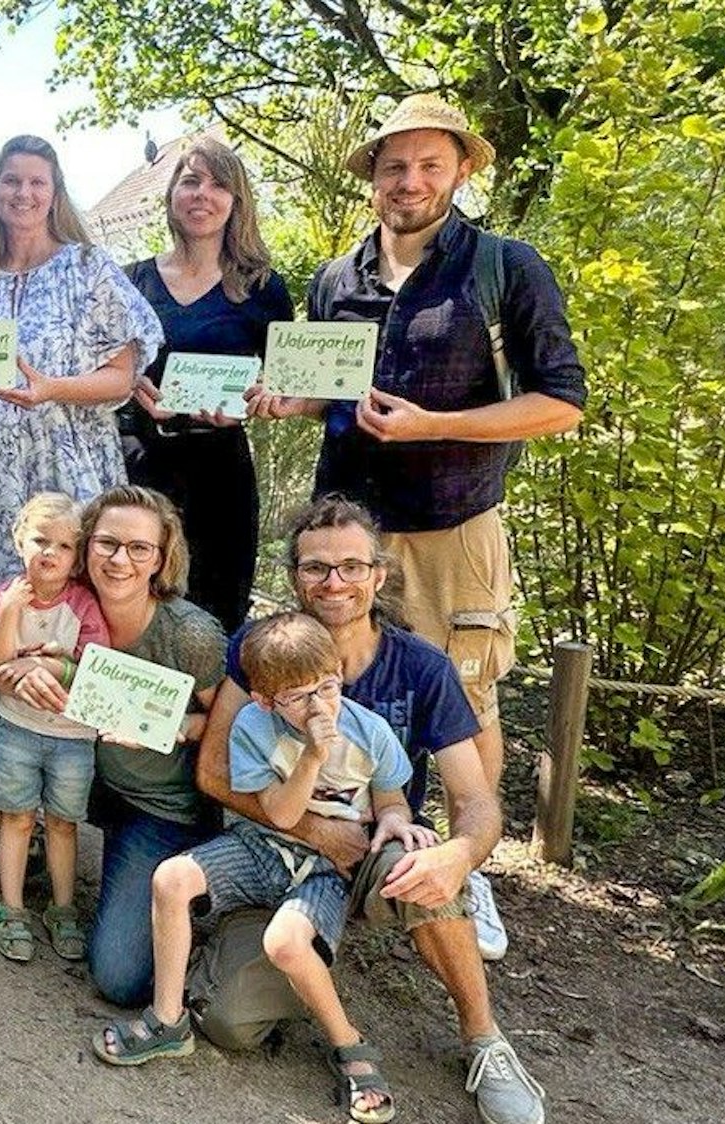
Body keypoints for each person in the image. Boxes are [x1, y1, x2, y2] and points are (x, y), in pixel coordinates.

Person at [250, 93, 585, 838]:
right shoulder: (336, 279)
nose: (409, 180)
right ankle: (362, 836)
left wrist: (435, 426)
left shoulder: (504, 268)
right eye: (394, 165)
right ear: (372, 175)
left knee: (464, 700)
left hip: (451, 525)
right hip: (343, 535)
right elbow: (338, 398)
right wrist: (292, 403)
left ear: (460, 170)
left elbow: (561, 403)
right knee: (340, 684)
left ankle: (468, 862)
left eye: (429, 164)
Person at [193, 496, 549, 1124]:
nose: (334, 583)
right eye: (316, 568)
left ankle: (485, 1040)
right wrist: (313, 831)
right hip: (277, 846)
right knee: (230, 1022)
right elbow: (215, 774)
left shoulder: (423, 666)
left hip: (378, 845)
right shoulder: (260, 647)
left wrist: (460, 854)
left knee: (426, 867)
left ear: (379, 574)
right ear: (295, 576)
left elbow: (474, 800)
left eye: (352, 567)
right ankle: (279, 962)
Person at [95, 612, 430, 1124]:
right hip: (261, 844)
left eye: (326, 686)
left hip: (322, 868)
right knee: (171, 878)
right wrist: (313, 758)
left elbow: (391, 800)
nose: (318, 705)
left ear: (340, 672)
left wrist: (395, 823)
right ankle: (168, 1021)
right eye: (298, 697)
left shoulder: (371, 732)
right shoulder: (254, 727)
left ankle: (350, 1045)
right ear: (266, 699)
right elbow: (279, 814)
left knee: (286, 942)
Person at [0, 485, 227, 1005]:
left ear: (162, 559)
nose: (120, 559)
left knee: (119, 977)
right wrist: (18, 673)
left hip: (152, 804)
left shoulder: (191, 635)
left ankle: (198, 912)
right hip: (77, 763)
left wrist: (176, 727)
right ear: (86, 546)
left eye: (140, 549)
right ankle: (31, 843)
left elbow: (230, 723)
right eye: (108, 543)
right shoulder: (61, 597)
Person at [0, 135, 164, 601]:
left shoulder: (88, 267)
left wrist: (53, 388)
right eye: (11, 180)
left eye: (37, 182)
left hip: (64, 468)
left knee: (71, 618)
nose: (23, 193)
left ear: (55, 193)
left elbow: (122, 376)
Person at [120, 137, 293, 633]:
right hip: (141, 466)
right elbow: (105, 370)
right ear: (171, 194)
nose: (202, 194)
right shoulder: (132, 282)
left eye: (219, 185)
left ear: (236, 202)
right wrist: (131, 388)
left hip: (221, 472)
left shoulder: (262, 288)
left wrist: (256, 398)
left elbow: (282, 384)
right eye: (190, 181)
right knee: (136, 609)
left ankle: (210, 714)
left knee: (216, 615)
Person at [0, 493, 104, 963]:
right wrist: (10, 611)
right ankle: (11, 907)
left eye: (65, 546)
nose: (50, 553)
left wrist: (50, 663)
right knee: (16, 817)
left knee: (63, 823)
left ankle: (62, 906)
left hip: (72, 738)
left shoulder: (84, 604)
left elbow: (93, 664)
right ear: (18, 540)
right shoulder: (4, 596)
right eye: (40, 540)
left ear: (78, 555)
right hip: (16, 729)